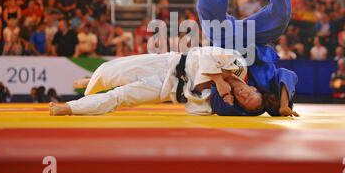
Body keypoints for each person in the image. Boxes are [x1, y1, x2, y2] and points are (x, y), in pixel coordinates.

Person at [197, 0, 299, 117]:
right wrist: (284, 105)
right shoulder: (272, 84)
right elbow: (288, 75)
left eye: (273, 105)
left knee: (207, 11)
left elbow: (221, 107)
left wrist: (224, 89)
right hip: (254, 38)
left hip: (226, 42)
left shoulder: (247, 105)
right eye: (277, 100)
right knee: (281, 16)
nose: (273, 101)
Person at [49, 46, 260, 116]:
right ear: (252, 87)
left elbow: (192, 110)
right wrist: (219, 80)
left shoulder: (220, 100)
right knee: (108, 71)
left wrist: (219, 105)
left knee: (118, 97)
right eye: (249, 93)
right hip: (168, 63)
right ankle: (91, 80)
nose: (243, 95)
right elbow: (202, 53)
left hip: (164, 89)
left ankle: (68, 108)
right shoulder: (238, 62)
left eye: (244, 101)